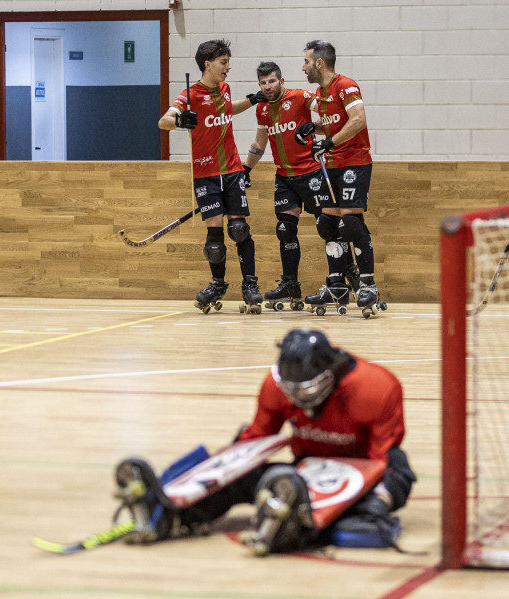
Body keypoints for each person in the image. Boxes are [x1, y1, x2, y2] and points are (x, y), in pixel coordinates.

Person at [114, 329, 415, 553]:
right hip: (306, 469)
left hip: (365, 467)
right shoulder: (275, 386)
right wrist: (218, 472)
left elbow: (382, 457)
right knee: (246, 471)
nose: (297, 398)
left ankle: (333, 518)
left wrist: (375, 500)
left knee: (395, 472)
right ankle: (171, 514)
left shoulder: (376, 387)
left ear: (331, 375)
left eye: (306, 390)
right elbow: (256, 438)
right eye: (290, 390)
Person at [158, 39, 268, 313]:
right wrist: (181, 121)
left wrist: (252, 100)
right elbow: (164, 121)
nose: (228, 67)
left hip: (231, 170)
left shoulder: (225, 89)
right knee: (215, 239)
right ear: (208, 64)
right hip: (205, 174)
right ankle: (218, 284)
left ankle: (250, 285)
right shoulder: (191, 94)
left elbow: (227, 110)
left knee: (239, 230)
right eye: (224, 62)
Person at [241, 62, 359, 309]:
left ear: (281, 81)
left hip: (312, 172)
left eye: (271, 81)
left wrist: (319, 129)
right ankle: (290, 285)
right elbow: (259, 143)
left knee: (328, 226)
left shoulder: (300, 97)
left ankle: (347, 276)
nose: (267, 86)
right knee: (285, 230)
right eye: (263, 83)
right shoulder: (262, 108)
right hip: (284, 177)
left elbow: (330, 114)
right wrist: (246, 169)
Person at [297, 40, 382, 311]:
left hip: (353, 163)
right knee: (327, 225)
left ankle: (368, 285)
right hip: (331, 164)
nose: (304, 67)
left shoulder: (345, 85)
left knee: (352, 224)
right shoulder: (321, 93)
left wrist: (329, 142)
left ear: (319, 63)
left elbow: (358, 120)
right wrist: (312, 129)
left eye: (307, 62)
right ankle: (337, 287)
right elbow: (335, 125)